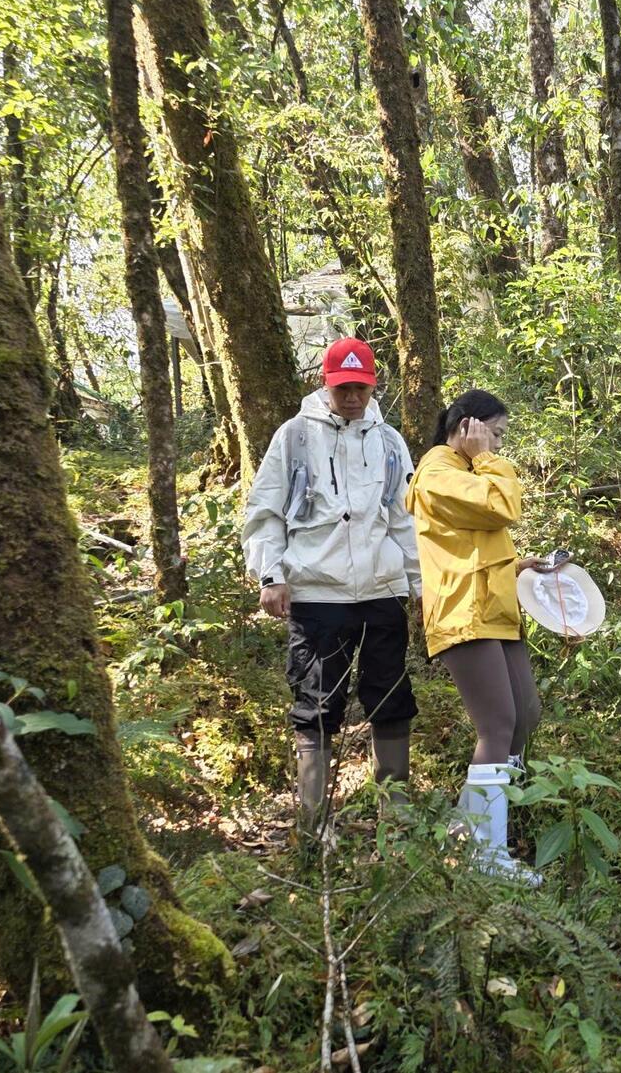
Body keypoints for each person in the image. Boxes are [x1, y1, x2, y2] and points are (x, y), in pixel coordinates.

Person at [241, 337, 422, 838]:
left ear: (372, 385)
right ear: (327, 383)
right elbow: (265, 512)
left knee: (389, 696)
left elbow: (404, 519)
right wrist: (271, 576)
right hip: (318, 594)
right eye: (343, 387)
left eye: (361, 387)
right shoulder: (294, 436)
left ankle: (396, 813)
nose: (352, 397)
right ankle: (314, 819)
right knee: (316, 703)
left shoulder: (389, 441)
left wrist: (419, 582)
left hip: (382, 592)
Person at [406, 388, 559, 884]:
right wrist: (488, 460)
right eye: (495, 433)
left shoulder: (464, 471)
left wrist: (517, 566)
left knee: (525, 715)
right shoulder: (437, 472)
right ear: (468, 426)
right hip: (463, 613)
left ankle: (462, 831)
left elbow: (469, 544)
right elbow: (501, 508)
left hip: (492, 607)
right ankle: (487, 860)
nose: (497, 444)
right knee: (497, 725)